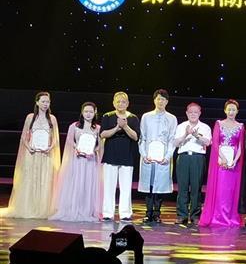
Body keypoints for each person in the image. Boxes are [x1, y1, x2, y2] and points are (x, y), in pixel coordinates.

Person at [1, 91, 61, 219]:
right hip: (32, 154)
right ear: (37, 102)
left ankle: (42, 208)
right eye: (43, 101)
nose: (45, 104)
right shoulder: (30, 117)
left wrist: (50, 148)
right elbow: (24, 137)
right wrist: (29, 148)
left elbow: (55, 138)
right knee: (30, 180)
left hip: (46, 155)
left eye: (48, 102)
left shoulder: (52, 119)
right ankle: (29, 207)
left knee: (44, 181)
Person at [50, 102, 103, 222]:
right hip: (77, 159)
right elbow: (70, 141)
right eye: (86, 111)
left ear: (95, 112)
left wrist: (93, 151)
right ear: (82, 112)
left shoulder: (98, 128)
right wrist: (77, 148)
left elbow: (100, 145)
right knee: (76, 184)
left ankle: (87, 210)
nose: (88, 114)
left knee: (88, 185)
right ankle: (73, 208)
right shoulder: (74, 126)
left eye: (91, 112)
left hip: (90, 161)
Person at [200, 99, 245, 227]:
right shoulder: (219, 124)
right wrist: (223, 158)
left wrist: (235, 160)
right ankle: (218, 217)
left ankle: (230, 217)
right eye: (229, 109)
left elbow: (240, 146)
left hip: (233, 164)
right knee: (220, 190)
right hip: (220, 162)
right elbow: (215, 143)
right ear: (225, 110)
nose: (231, 112)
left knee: (230, 191)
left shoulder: (240, 126)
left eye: (233, 110)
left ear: (237, 111)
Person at [138, 89, 177, 224]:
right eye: (158, 99)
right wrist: (144, 154)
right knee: (149, 185)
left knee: (160, 186)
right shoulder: (146, 117)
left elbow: (172, 139)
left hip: (163, 157)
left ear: (167, 102)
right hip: (148, 156)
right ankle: (148, 213)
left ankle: (157, 213)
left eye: (163, 99)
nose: (161, 101)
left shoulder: (171, 118)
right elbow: (142, 137)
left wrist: (167, 156)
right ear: (154, 100)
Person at [100, 91, 140, 222]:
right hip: (110, 155)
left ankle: (125, 213)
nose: (120, 104)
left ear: (127, 103)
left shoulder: (133, 118)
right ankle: (107, 213)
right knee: (109, 186)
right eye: (118, 101)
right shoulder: (107, 116)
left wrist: (125, 126)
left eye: (123, 102)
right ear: (113, 103)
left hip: (127, 156)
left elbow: (135, 136)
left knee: (126, 187)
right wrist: (117, 127)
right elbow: (103, 134)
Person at [173, 103, 211, 225]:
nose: (193, 114)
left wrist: (196, 135)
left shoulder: (204, 127)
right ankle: (182, 215)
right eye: (191, 112)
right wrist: (186, 134)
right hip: (183, 157)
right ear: (187, 113)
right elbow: (175, 143)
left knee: (196, 188)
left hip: (197, 158)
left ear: (199, 113)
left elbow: (208, 142)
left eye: (195, 112)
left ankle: (195, 215)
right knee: (182, 187)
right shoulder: (181, 126)